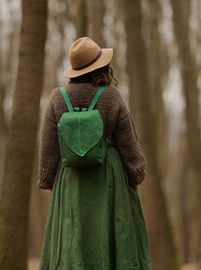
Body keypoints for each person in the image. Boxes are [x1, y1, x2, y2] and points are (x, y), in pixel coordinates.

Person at [37, 37, 151, 270]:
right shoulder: (112, 97)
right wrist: (137, 172)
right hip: (109, 185)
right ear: (101, 67)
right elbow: (130, 146)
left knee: (72, 247)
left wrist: (50, 181)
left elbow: (47, 150)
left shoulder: (57, 99)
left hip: (70, 184)